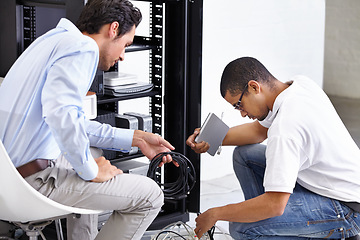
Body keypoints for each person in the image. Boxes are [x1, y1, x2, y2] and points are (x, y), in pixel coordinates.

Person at [0, 0, 177, 239]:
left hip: (9, 178)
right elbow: (61, 114)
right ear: (113, 29)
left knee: (91, 152)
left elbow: (72, 122)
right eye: (125, 44)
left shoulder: (50, 40)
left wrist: (136, 138)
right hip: (31, 182)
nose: (123, 55)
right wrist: (90, 170)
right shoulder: (84, 47)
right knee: (150, 195)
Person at [186, 57, 360, 240]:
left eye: (239, 105)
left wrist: (216, 213)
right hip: (336, 188)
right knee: (245, 155)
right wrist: (210, 138)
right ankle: (269, 226)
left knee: (242, 228)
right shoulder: (299, 85)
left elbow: (275, 204)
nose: (242, 113)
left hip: (347, 209)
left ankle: (329, 232)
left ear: (254, 87)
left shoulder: (285, 128)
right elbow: (259, 131)